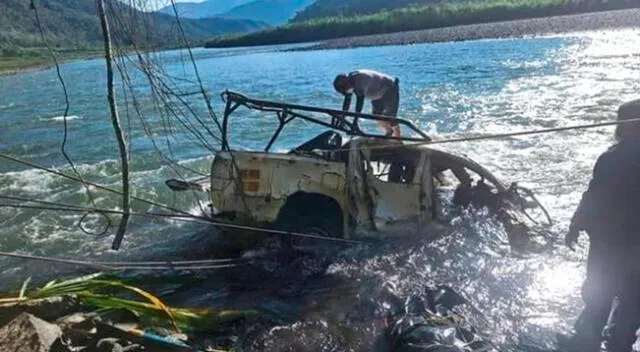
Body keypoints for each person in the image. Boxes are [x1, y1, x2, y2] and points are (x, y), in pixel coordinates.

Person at [565, 99, 640, 352]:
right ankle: (620, 340)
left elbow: (593, 195)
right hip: (627, 242)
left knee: (600, 293)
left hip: (609, 241)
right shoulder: (612, 158)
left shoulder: (611, 158)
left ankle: (591, 339)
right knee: (633, 299)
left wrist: (575, 224)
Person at [333, 69, 401, 137]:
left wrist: (355, 122)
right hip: (377, 92)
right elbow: (347, 100)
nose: (346, 92)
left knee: (391, 117)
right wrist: (343, 117)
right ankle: (389, 132)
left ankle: (399, 139)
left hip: (390, 88)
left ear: (348, 83)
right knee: (376, 115)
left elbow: (359, 106)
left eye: (345, 90)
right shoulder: (349, 80)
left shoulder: (360, 81)